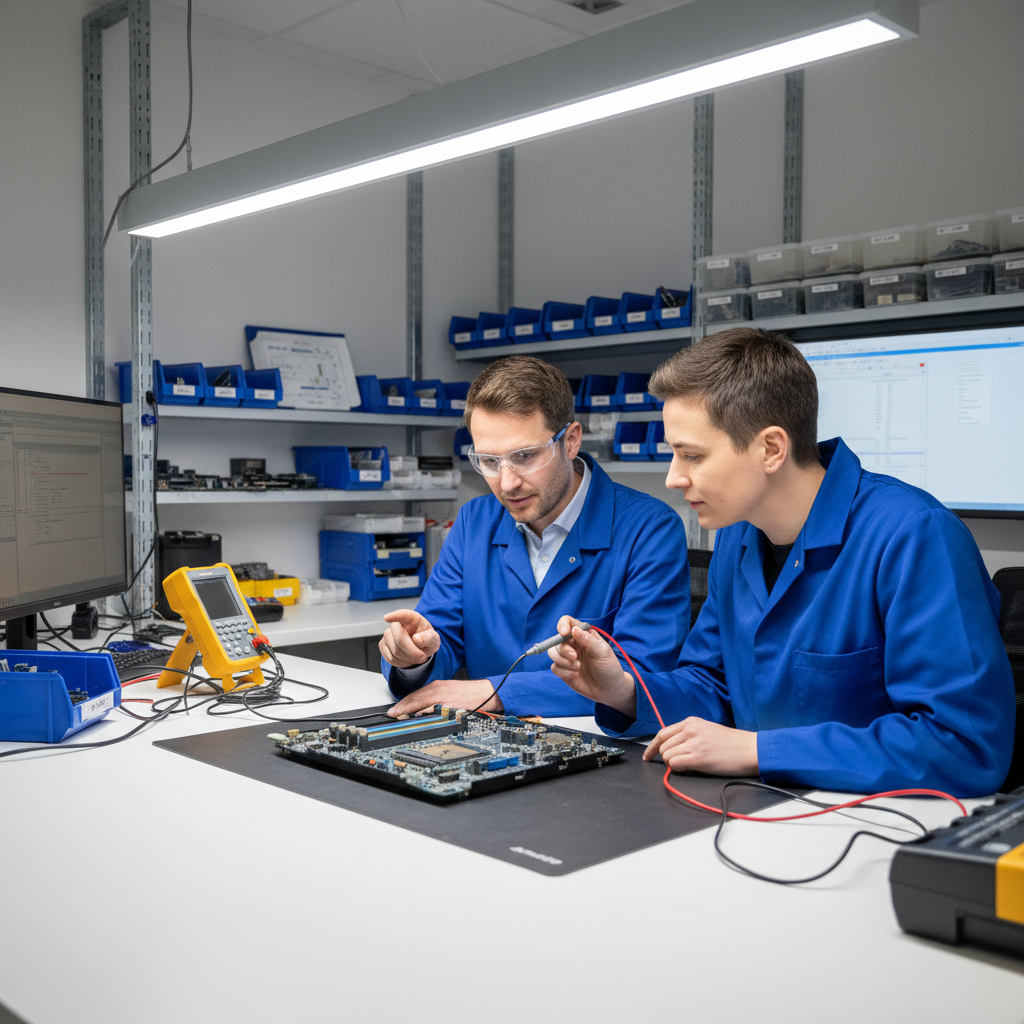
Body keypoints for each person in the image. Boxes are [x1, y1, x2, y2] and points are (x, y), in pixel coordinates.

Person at [548, 328, 1015, 797]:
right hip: (763, 805)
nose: (674, 477)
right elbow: (712, 684)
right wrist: (622, 690)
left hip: (880, 820)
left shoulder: (914, 536)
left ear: (771, 448)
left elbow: (963, 745)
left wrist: (759, 751)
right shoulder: (738, 535)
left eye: (692, 455)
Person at [380, 355, 690, 719]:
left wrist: (495, 692)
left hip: (598, 740)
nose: (507, 483)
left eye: (525, 456)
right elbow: (438, 638)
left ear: (570, 441)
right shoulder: (474, 522)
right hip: (489, 740)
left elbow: (643, 677)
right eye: (489, 461)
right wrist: (413, 657)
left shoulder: (649, 529)